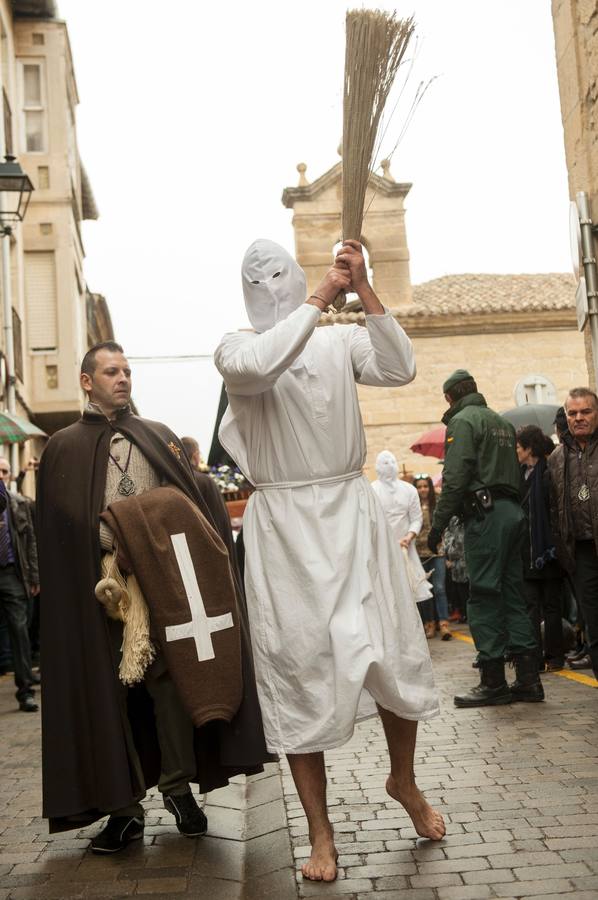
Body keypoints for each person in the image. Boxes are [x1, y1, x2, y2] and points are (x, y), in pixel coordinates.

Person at [215, 238, 444, 884]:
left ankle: (404, 779)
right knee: (298, 673)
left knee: (390, 650)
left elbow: (400, 368)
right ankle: (320, 832)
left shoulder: (339, 341)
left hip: (351, 512)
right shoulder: (236, 348)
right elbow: (262, 366)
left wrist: (365, 290)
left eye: (278, 272)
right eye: (257, 277)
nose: (270, 282)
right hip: (284, 532)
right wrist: (321, 297)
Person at [36, 341, 270, 851]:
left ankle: (178, 788)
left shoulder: (156, 436)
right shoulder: (64, 448)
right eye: (111, 371)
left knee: (170, 683)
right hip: (99, 588)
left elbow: (190, 498)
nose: (122, 378)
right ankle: (123, 810)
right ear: (86, 381)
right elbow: (62, 526)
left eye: (126, 370)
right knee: (110, 693)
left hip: (165, 581)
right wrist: (113, 541)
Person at [427, 370, 543, 707]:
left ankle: (493, 681)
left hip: (486, 517)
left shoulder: (462, 422)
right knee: (512, 594)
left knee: (483, 595)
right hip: (511, 513)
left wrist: (437, 526)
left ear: (450, 397)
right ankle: (528, 679)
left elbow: (455, 477)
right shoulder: (503, 424)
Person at [547, 387, 598, 681]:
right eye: (572, 413)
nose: (578, 418)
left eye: (585, 411)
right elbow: (555, 511)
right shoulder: (556, 459)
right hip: (580, 554)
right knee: (594, 627)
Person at [516, 425, 565, 671]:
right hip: (528, 553)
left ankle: (555, 656)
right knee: (531, 607)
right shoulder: (520, 474)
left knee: (552, 605)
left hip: (549, 552)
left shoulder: (548, 474)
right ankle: (534, 658)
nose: (516, 451)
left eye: (518, 446)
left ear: (528, 448)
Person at [0, 459, 39, 712]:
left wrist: (34, 577)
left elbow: (30, 542)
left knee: (19, 630)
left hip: (11, 573)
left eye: (3, 471)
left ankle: (25, 690)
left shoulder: (19, 503)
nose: (0, 475)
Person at [370, 451, 431, 605]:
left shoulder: (409, 490)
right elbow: (371, 521)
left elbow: (416, 518)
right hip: (382, 549)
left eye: (391, 461)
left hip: (406, 547)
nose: (389, 465)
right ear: (378, 466)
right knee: (387, 591)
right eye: (385, 462)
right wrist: (388, 540)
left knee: (410, 589)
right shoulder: (372, 491)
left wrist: (409, 536)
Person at [413, 475, 451, 640]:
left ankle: (443, 623)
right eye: (420, 487)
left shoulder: (438, 504)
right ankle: (429, 623)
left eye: (426, 486)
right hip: (418, 553)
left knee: (439, 588)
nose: (423, 489)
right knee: (424, 591)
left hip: (437, 552)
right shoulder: (412, 505)